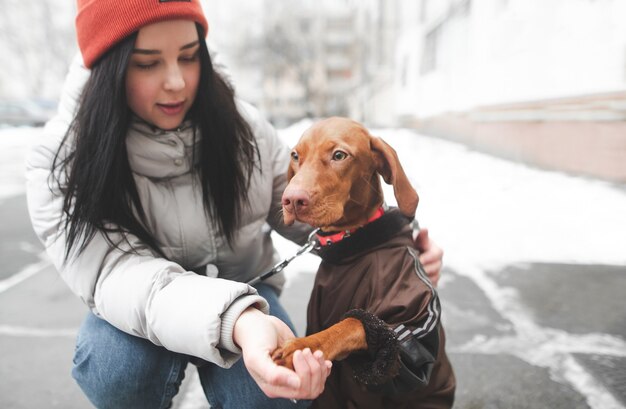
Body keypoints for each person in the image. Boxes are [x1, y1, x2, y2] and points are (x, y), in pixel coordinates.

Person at [25, 1, 444, 408]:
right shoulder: (64, 159)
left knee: (279, 395)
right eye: (147, 63)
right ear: (108, 68)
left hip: (245, 286)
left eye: (189, 57)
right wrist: (239, 321)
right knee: (116, 370)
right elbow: (116, 274)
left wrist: (393, 251)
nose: (176, 82)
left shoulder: (240, 126)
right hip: (136, 309)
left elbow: (306, 205)